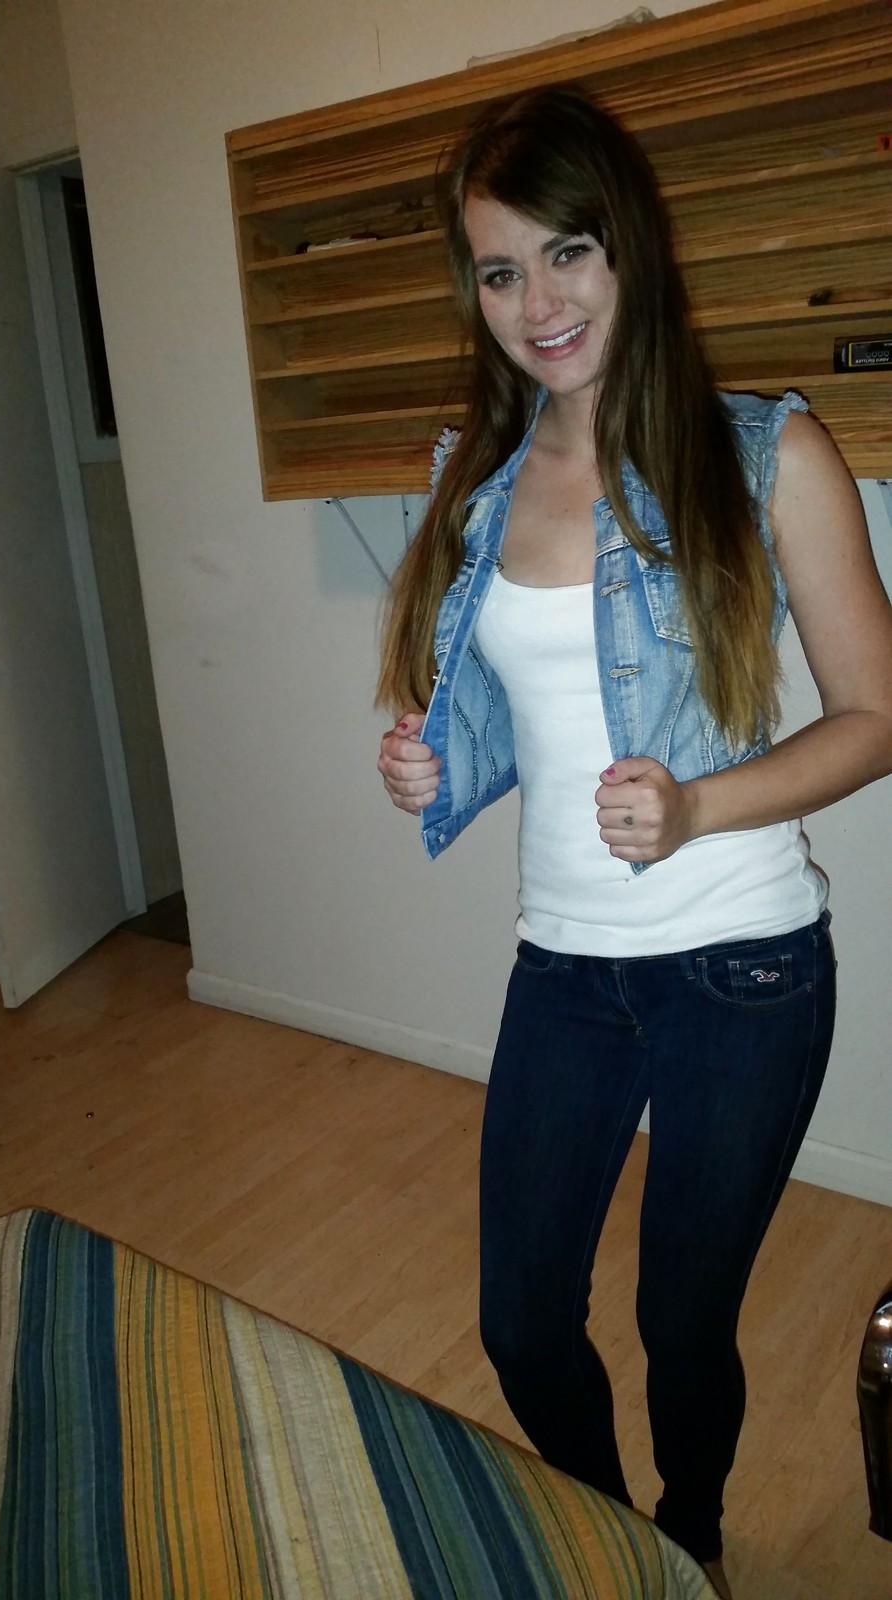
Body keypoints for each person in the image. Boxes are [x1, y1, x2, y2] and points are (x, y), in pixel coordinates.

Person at [375, 86, 892, 1599]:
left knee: (682, 1323)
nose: (537, 302)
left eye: (568, 252)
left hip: (744, 972)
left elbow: (878, 716)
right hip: (564, 969)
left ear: (630, 249)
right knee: (522, 1317)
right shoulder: (470, 479)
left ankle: (693, 1537)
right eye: (500, 270)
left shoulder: (766, 452)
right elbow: (499, 711)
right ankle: (610, 1539)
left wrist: (701, 805)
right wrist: (427, 757)